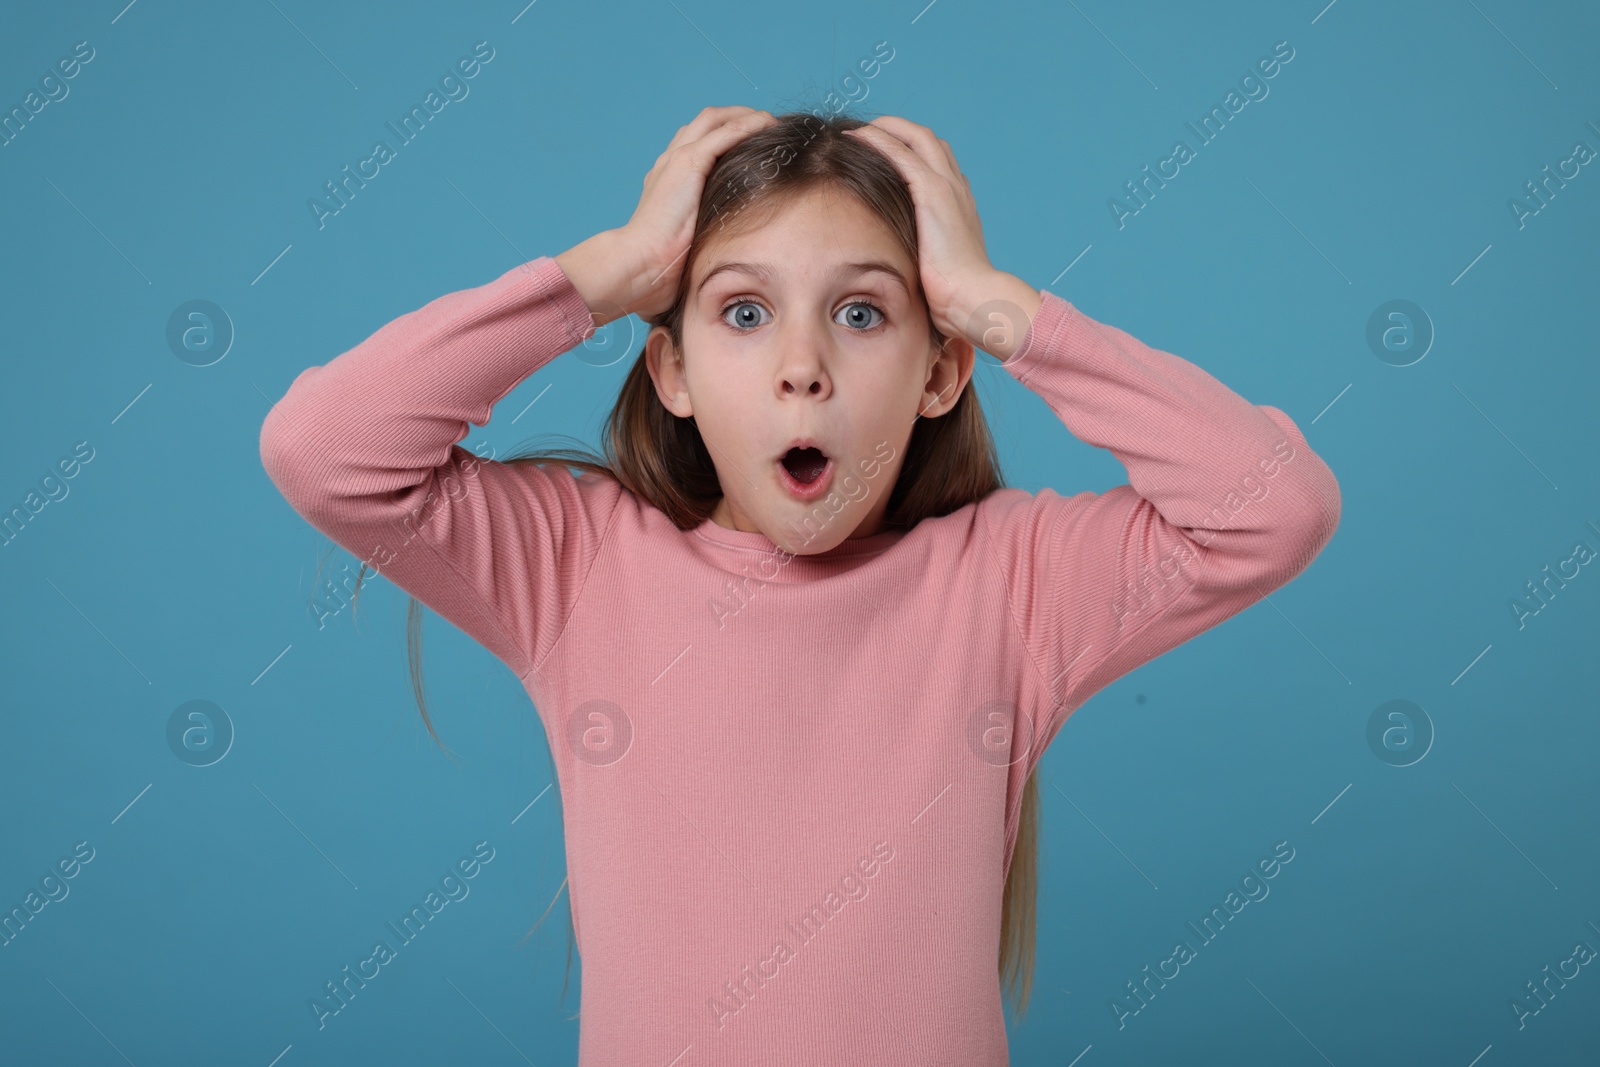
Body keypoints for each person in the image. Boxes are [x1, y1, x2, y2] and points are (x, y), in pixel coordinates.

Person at [260, 105, 1341, 1065]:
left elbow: (1274, 506)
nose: (802, 364)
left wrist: (1001, 307)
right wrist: (605, 273)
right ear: (670, 369)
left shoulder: (1010, 582)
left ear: (939, 371)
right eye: (742, 312)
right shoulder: (578, 566)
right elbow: (323, 446)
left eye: (862, 313)